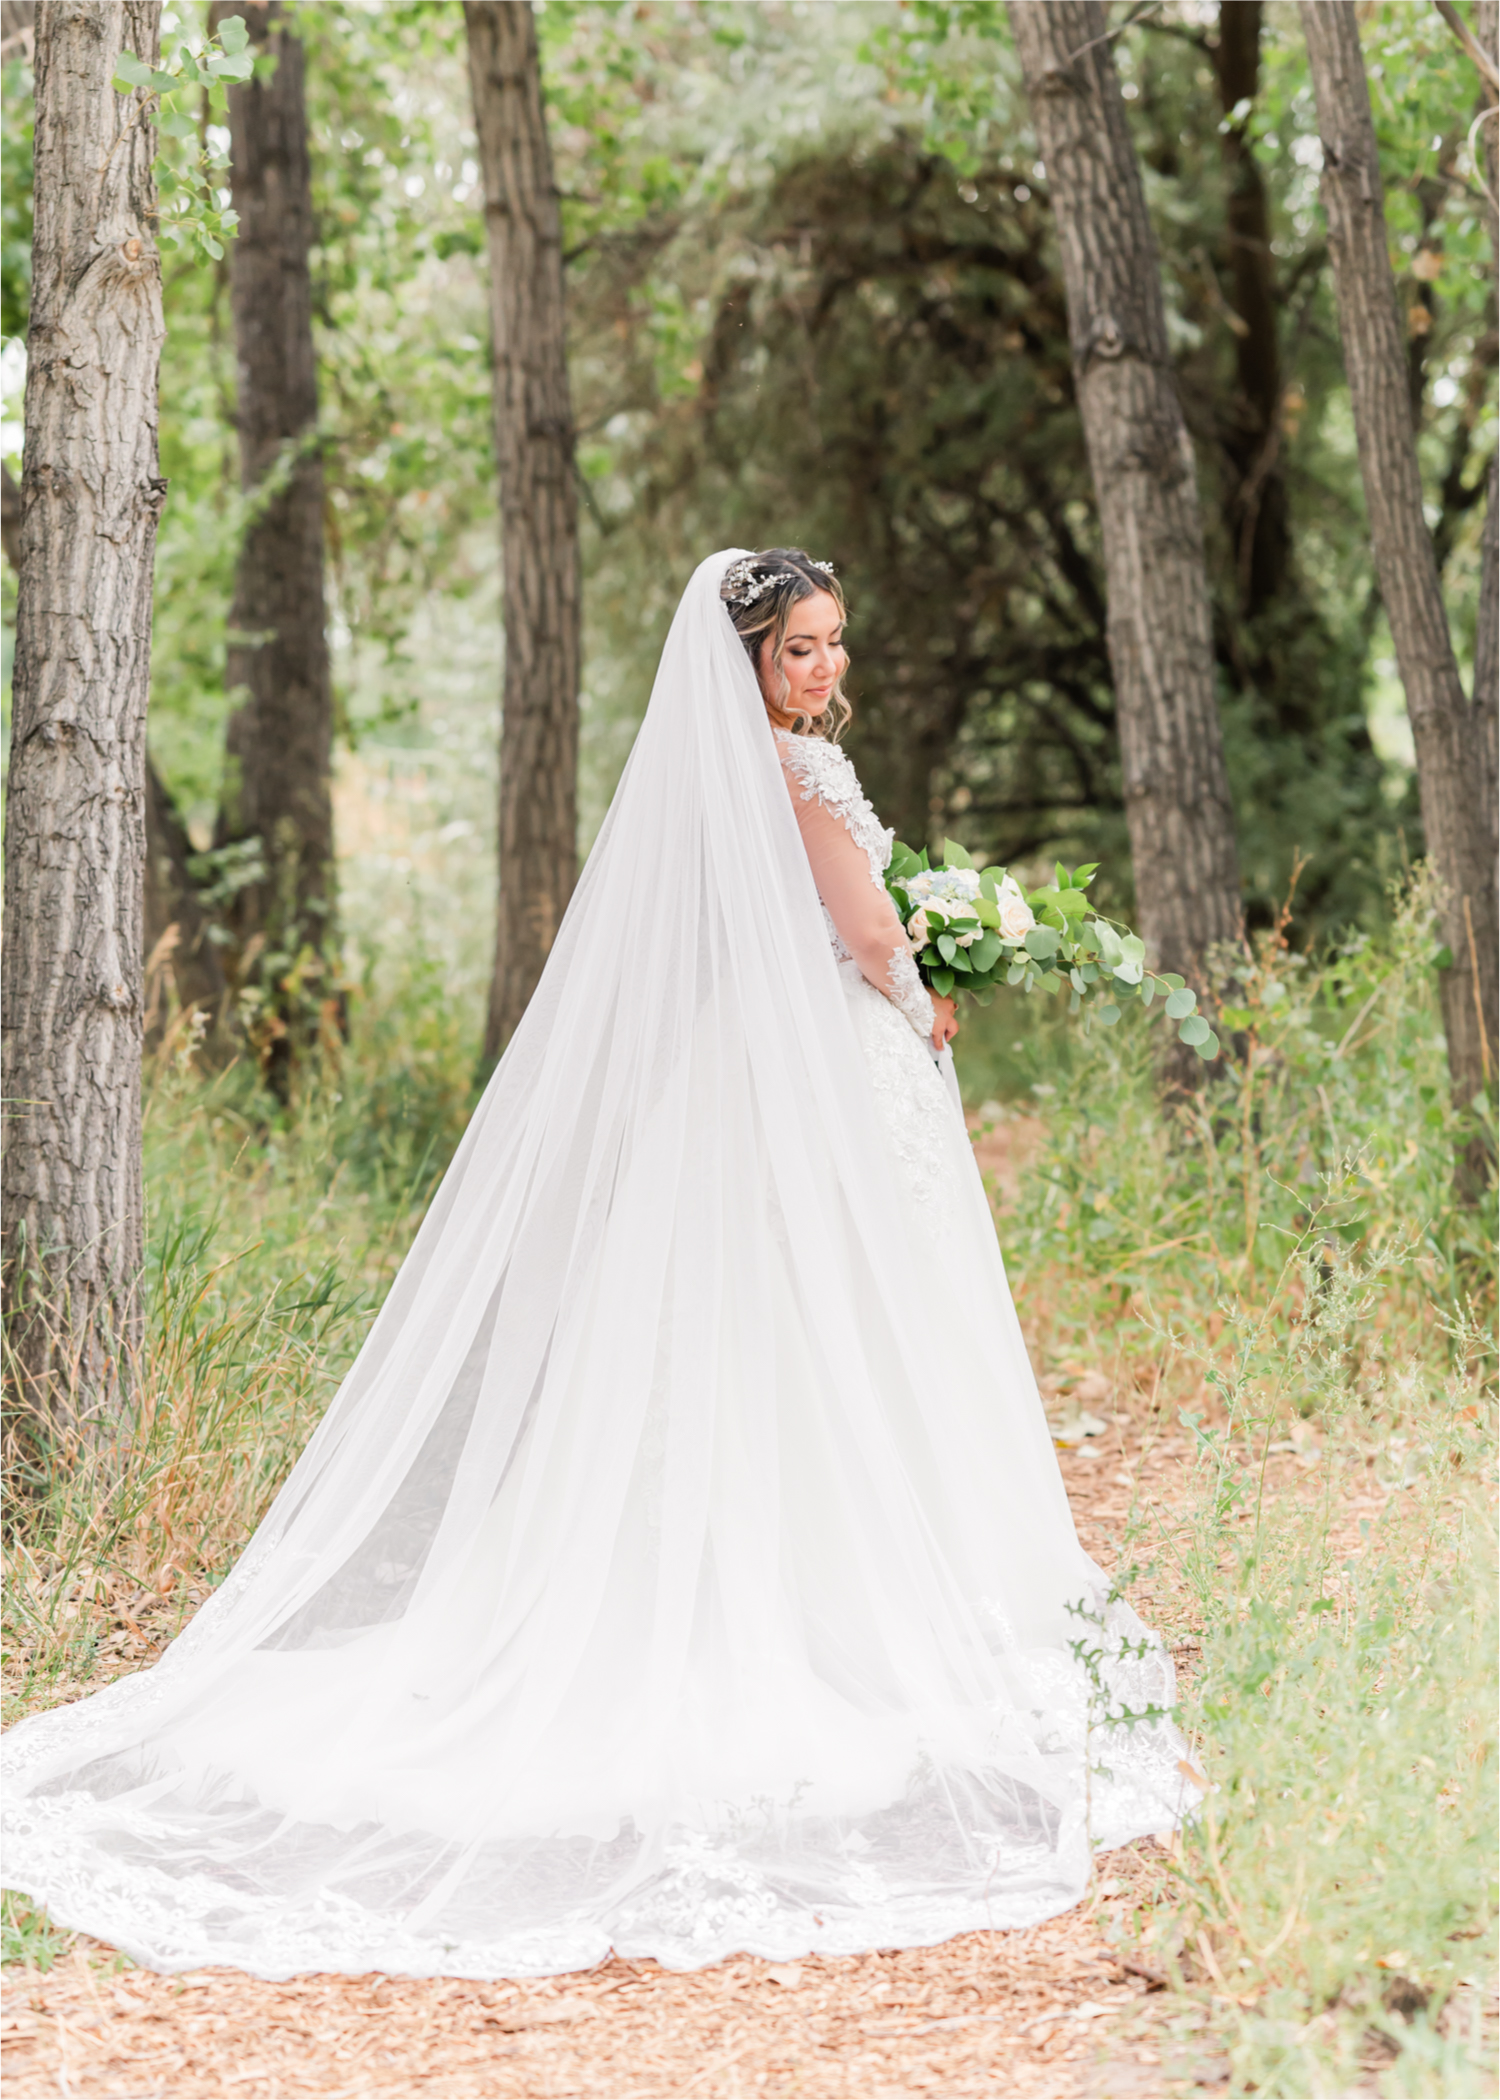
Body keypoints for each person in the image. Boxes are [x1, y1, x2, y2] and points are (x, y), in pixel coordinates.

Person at [1, 549, 1184, 1981]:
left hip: (753, 1075)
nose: (826, 669)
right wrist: (927, 984)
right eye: (800, 649)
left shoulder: (734, 776)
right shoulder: (797, 774)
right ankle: (850, 1600)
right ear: (748, 661)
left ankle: (785, 1568)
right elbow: (868, 929)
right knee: (846, 1320)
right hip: (825, 1073)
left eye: (834, 643)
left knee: (775, 1330)